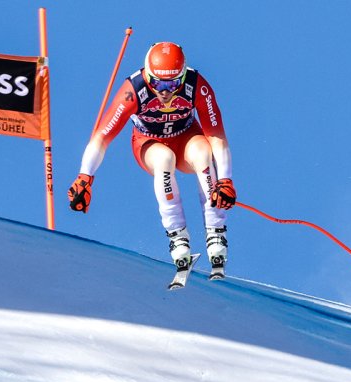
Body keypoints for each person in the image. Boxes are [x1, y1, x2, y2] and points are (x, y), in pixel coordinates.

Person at [68, 42, 236, 271]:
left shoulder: (196, 85)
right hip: (149, 143)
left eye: (172, 84)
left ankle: (216, 231)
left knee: (203, 153)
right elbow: (102, 137)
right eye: (158, 83)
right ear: (147, 76)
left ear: (183, 76)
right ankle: (177, 235)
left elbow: (217, 137)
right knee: (164, 159)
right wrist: (85, 176)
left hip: (186, 138)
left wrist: (225, 180)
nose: (165, 91)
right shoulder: (133, 90)